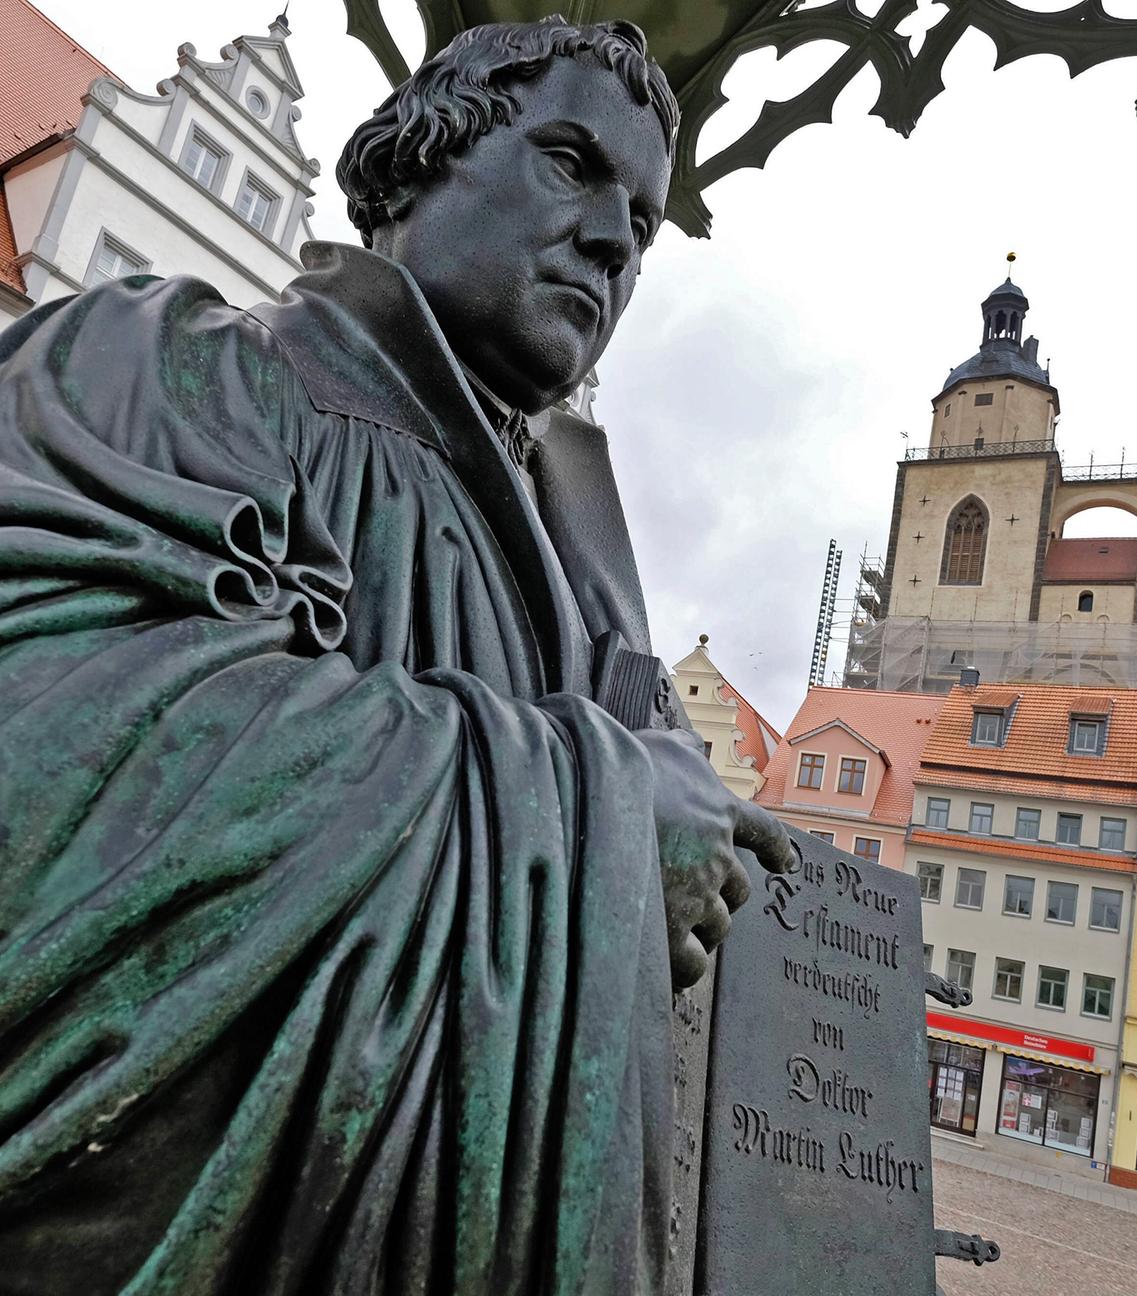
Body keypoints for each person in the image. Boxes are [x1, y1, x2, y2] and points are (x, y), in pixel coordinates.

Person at [0, 18, 789, 1294]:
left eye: (643, 225)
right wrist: (598, 811)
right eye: (570, 162)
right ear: (417, 162)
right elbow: (44, 764)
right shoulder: (175, 367)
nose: (612, 238)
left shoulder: (594, 574)